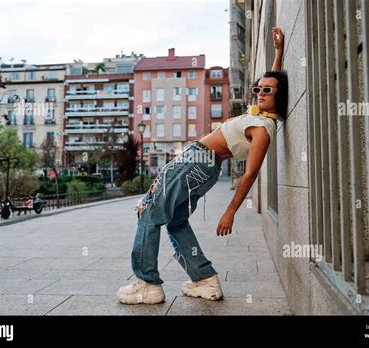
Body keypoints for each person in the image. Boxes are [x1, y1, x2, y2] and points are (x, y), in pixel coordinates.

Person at [117, 27, 288, 305]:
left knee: (148, 212)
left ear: (278, 97)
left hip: (197, 160)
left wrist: (230, 212)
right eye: (258, 89)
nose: (259, 93)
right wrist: (278, 51)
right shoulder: (259, 114)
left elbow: (251, 174)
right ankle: (204, 280)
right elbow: (274, 81)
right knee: (175, 222)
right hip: (203, 165)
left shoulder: (262, 129)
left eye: (266, 91)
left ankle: (146, 284)